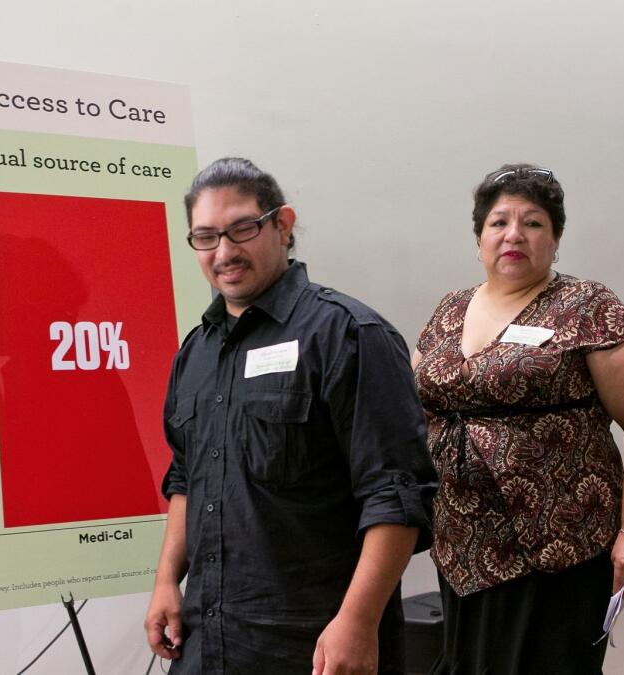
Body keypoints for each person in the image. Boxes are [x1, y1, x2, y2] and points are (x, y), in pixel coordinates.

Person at [143, 157, 437, 675]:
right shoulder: (196, 353)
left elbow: (396, 495)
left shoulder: (348, 335)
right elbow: (186, 476)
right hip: (206, 638)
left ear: (283, 225)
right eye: (206, 237)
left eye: (242, 229)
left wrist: (358, 621)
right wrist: (168, 579)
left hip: (312, 644)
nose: (225, 252)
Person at [411, 164, 624, 673]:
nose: (513, 234)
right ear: (479, 238)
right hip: (462, 547)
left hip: (558, 547)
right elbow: (414, 405)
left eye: (532, 223)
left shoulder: (587, 306)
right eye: (498, 222)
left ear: (555, 239)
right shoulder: (450, 309)